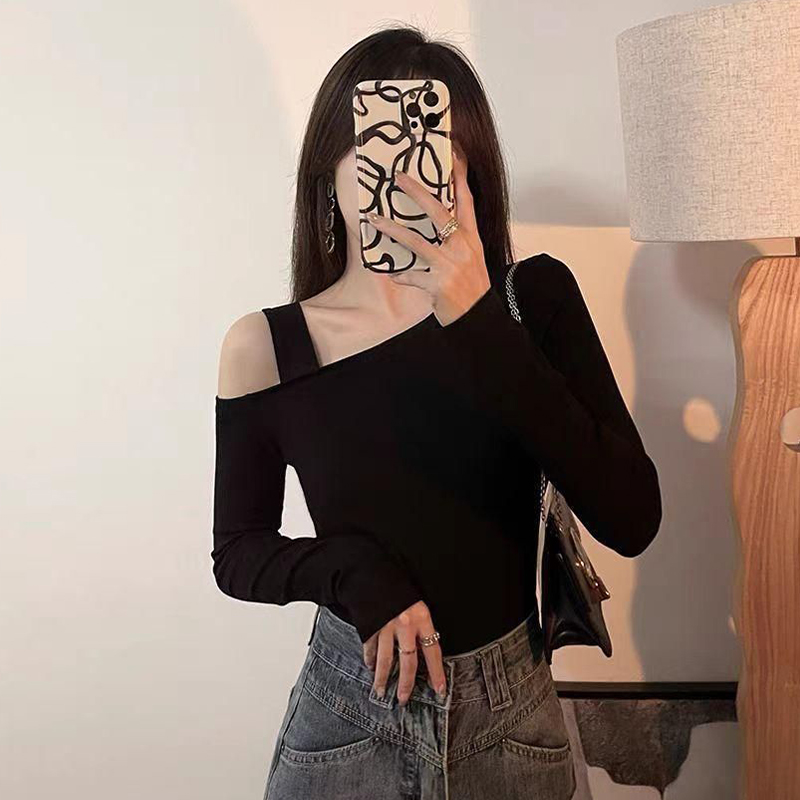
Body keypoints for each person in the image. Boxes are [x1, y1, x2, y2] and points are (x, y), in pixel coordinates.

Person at [211, 25, 662, 800]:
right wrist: (353, 572)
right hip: (348, 716)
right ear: (329, 175)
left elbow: (631, 517)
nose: (408, 179)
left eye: (434, 157)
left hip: (511, 720)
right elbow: (237, 552)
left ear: (470, 176)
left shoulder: (531, 304)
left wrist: (478, 318)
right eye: (380, 151)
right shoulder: (269, 347)